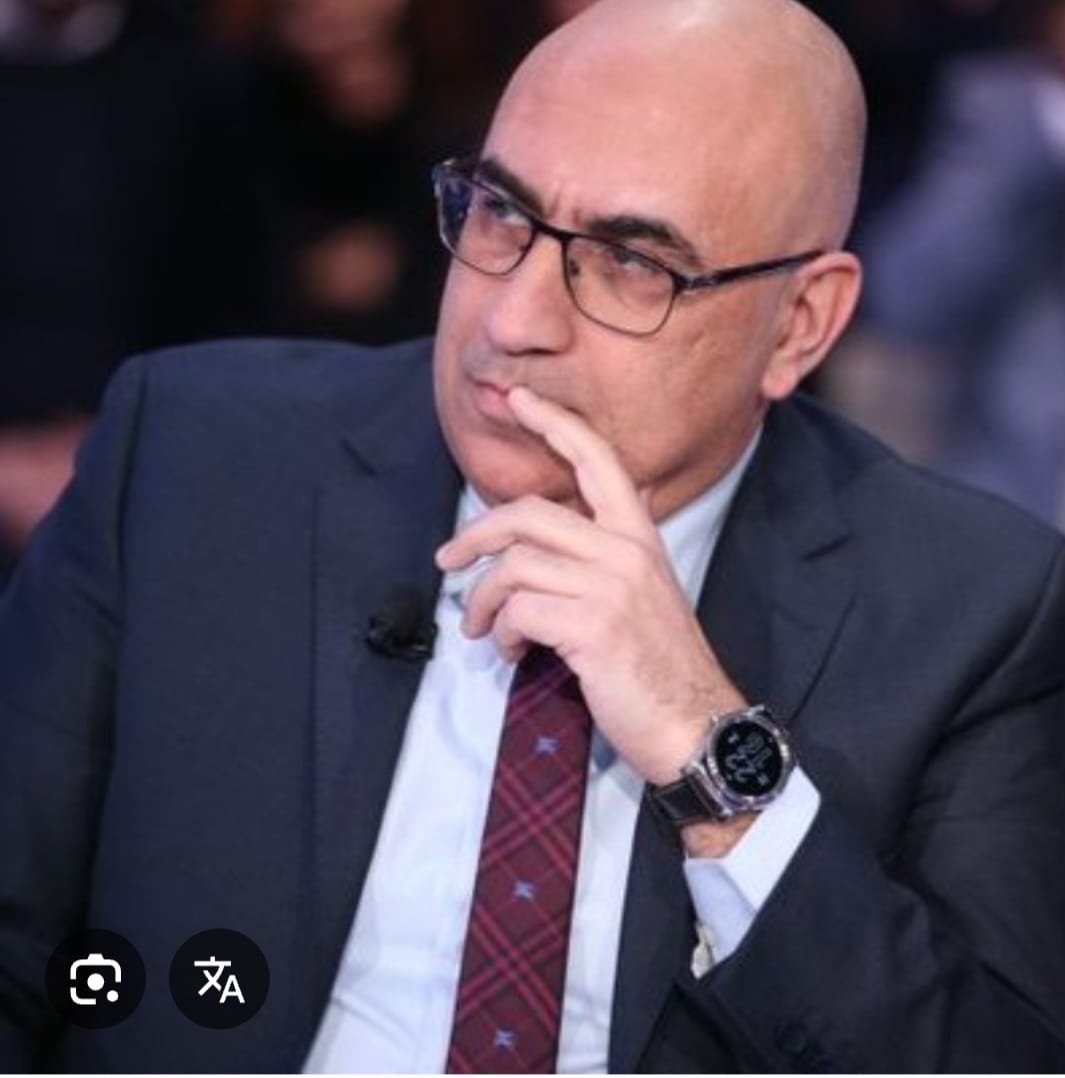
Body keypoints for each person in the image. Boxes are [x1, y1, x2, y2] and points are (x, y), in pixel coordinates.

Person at [1, 0, 1064, 1071]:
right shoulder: (190, 457)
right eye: (499, 213)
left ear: (799, 325)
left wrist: (712, 759)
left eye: (632, 262)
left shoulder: (975, 610)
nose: (511, 322)